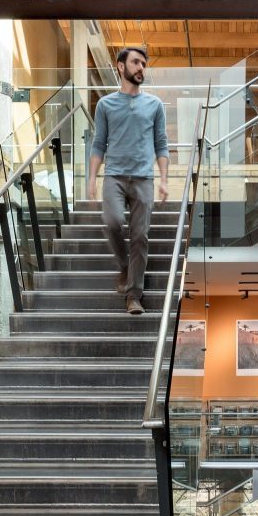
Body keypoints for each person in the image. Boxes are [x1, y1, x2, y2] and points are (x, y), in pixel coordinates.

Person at [85, 46, 170, 316]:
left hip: (144, 178)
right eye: (135, 62)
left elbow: (161, 144)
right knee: (111, 222)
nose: (141, 68)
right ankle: (124, 266)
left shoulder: (155, 105)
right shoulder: (105, 105)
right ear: (121, 67)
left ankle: (134, 296)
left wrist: (164, 179)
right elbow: (98, 144)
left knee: (140, 237)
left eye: (144, 64)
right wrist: (92, 179)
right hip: (115, 176)